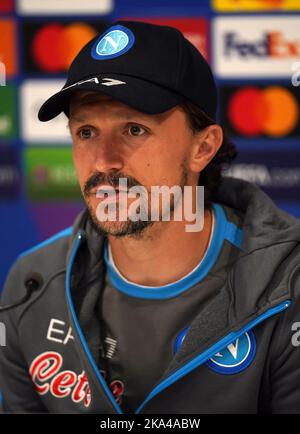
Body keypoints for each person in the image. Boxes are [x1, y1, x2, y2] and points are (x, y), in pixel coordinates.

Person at [1, 20, 300, 414]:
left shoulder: (289, 285)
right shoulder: (32, 286)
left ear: (203, 146)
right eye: (86, 132)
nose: (104, 160)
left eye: (134, 129)